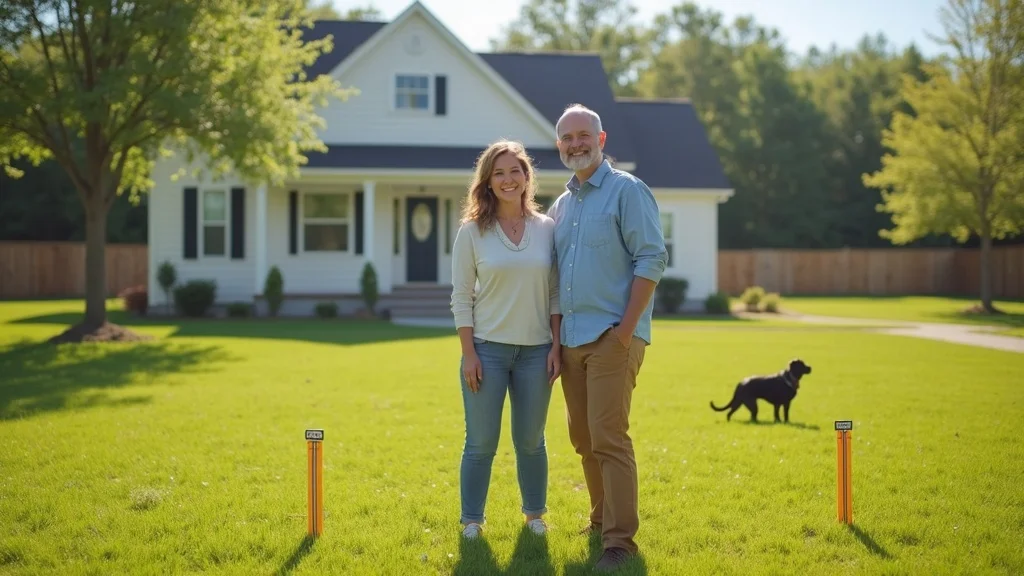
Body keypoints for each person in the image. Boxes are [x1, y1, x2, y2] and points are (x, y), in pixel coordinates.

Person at [547, 103, 668, 572]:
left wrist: (625, 331)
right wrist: (556, 343)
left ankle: (620, 543)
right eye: (566, 138)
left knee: (609, 438)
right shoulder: (560, 206)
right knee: (582, 438)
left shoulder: (626, 191)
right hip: (572, 340)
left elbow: (651, 259)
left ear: (601, 140)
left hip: (612, 338)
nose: (575, 143)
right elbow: (556, 278)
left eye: (583, 135)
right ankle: (599, 521)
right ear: (559, 146)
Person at [450, 139, 562, 540]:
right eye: (499, 172)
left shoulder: (546, 228)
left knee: (531, 440)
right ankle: (472, 521)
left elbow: (554, 292)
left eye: (515, 170)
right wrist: (468, 354)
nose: (508, 179)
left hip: (536, 352)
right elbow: (461, 297)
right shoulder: (472, 232)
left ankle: (534, 515)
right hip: (487, 351)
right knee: (480, 442)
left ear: (527, 176)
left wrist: (556, 345)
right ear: (488, 181)